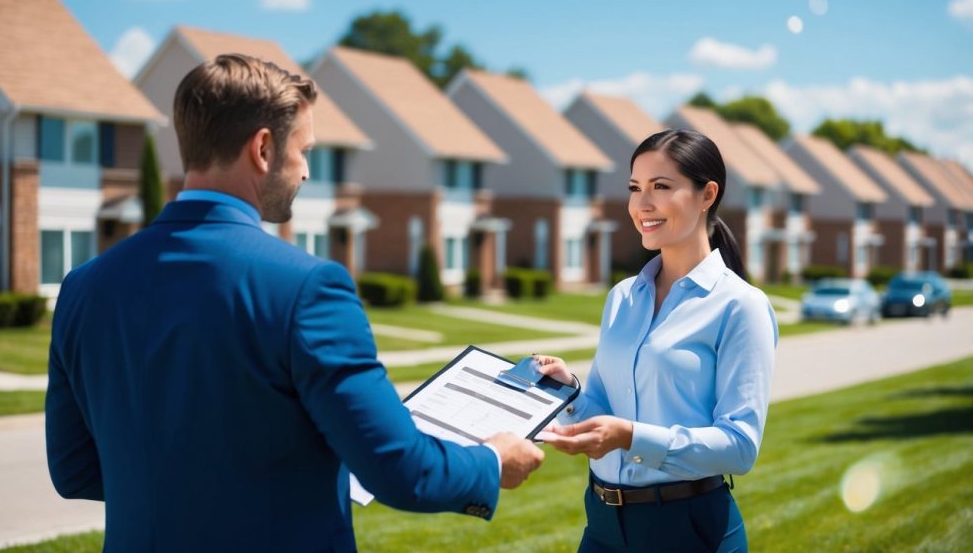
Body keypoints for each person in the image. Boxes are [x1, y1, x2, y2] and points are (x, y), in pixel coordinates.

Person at [45, 54, 544, 552]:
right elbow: (400, 470)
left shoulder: (84, 286)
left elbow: (76, 471)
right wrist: (492, 460)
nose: (306, 171)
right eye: (305, 151)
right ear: (263, 148)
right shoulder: (308, 287)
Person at [537, 129, 777, 552]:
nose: (642, 204)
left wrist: (630, 437)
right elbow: (604, 411)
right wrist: (569, 389)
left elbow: (740, 447)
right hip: (602, 524)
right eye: (635, 188)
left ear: (707, 195)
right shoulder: (622, 297)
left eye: (661, 187)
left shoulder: (741, 305)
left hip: (688, 529)